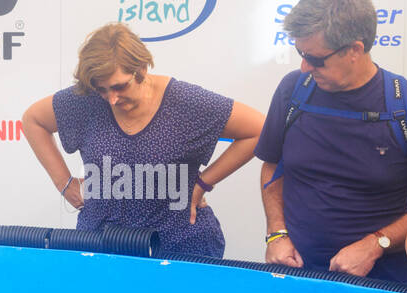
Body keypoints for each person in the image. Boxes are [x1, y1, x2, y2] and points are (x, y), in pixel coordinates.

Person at [257, 0, 407, 282]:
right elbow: (271, 167)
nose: (305, 67)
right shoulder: (293, 90)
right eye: (299, 52)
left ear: (355, 49)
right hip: (295, 277)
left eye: (316, 59)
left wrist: (376, 244)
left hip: (382, 285)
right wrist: (275, 233)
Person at [21, 23, 263, 257]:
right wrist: (64, 184)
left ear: (142, 69)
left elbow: (259, 130)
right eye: (102, 89)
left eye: (120, 87)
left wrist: (203, 184)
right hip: (102, 245)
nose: (111, 99)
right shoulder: (85, 99)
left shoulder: (184, 102)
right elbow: (33, 120)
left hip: (180, 248)